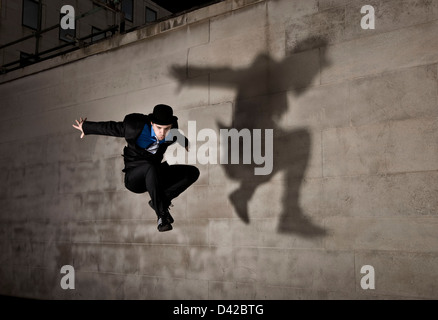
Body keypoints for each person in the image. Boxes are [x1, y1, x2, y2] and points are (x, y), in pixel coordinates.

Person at [72, 104, 200, 232]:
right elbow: (110, 127)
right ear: (152, 123)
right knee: (149, 166)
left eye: (166, 129)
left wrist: (185, 143)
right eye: (158, 128)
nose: (162, 133)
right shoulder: (135, 127)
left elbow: (177, 135)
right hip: (135, 178)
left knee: (192, 173)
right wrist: (86, 127)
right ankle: (162, 216)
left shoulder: (171, 132)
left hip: (154, 177)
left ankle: (160, 201)